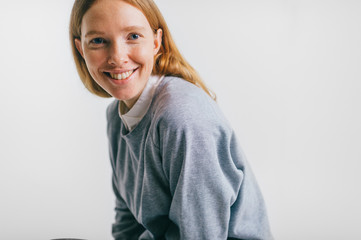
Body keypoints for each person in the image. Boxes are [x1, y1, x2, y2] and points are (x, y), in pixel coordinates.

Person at [69, 0, 273, 239]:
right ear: (81, 49)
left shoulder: (182, 116)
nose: (117, 57)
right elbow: (127, 222)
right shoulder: (116, 117)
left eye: (133, 36)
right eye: (98, 41)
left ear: (156, 42)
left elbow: (201, 234)